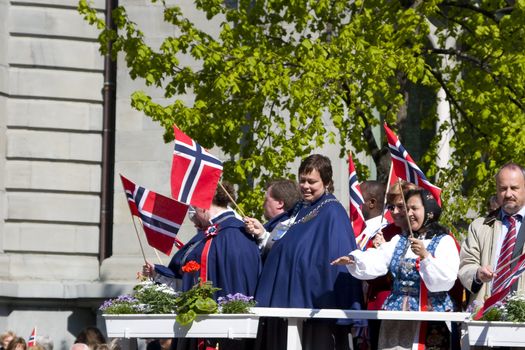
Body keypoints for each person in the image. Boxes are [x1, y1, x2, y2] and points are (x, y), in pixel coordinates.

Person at [255, 154, 363, 350]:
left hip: (314, 308)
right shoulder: (299, 208)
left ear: (327, 182)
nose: (305, 186)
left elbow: (335, 262)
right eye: (302, 180)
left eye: (311, 181)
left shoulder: (332, 212)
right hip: (285, 303)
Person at [333, 188, 459, 349]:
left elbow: (446, 280)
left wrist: (426, 257)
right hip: (396, 316)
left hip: (430, 319)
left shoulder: (444, 241)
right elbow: (378, 258)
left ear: (429, 210)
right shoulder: (399, 240)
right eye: (408, 209)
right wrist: (354, 259)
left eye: (415, 208)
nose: (410, 213)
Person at [143, 182, 261, 350]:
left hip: (219, 331)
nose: (193, 215)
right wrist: (158, 273)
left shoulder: (228, 234)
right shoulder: (217, 233)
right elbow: (183, 274)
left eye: (195, 206)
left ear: (203, 205)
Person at [459, 162, 525, 306]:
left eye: (514, 188)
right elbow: (465, 266)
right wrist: (478, 274)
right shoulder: (479, 226)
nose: (508, 194)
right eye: (503, 189)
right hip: (486, 314)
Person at [244, 179, 302, 261]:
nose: (263, 204)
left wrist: (261, 234)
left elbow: (275, 248)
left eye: (266, 199)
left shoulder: (285, 226)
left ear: (280, 204)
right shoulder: (282, 225)